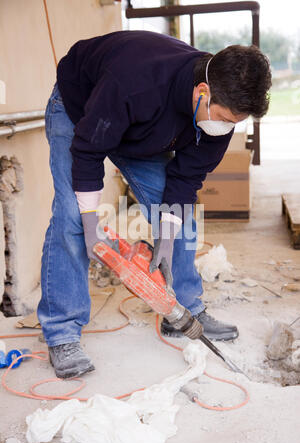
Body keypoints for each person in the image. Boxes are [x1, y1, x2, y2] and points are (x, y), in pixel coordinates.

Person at [37, 30, 272, 379]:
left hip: (142, 131)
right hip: (81, 110)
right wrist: (89, 223)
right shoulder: (135, 81)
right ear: (203, 92)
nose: (225, 128)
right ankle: (62, 333)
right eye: (224, 119)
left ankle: (184, 312)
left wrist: (166, 236)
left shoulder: (218, 115)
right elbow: (88, 151)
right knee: (71, 217)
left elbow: (186, 180)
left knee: (182, 219)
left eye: (234, 123)